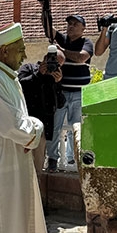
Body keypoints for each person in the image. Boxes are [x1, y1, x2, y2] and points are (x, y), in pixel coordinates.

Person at [0, 22, 47, 233]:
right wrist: (38, 126)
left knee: (14, 222)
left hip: (11, 162)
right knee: (2, 225)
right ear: (5, 50)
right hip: (0, 165)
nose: (25, 55)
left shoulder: (5, 76)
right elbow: (12, 126)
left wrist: (30, 126)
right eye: (21, 48)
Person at [43, 14, 94, 170]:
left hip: (79, 93)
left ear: (83, 28)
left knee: (76, 128)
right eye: (69, 23)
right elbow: (48, 29)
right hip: (61, 92)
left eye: (75, 24)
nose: (71, 26)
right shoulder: (63, 40)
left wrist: (63, 51)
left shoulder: (86, 42)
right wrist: (44, 8)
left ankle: (74, 159)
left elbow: (81, 58)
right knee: (54, 127)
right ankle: (52, 158)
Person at [18, 45, 65, 173]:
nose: (53, 67)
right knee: (20, 166)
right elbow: (20, 86)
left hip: (43, 128)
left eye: (58, 65)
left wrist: (58, 84)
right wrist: (39, 74)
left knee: (37, 166)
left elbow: (60, 103)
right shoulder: (29, 69)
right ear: (45, 58)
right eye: (52, 62)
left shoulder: (55, 78)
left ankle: (36, 192)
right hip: (24, 125)